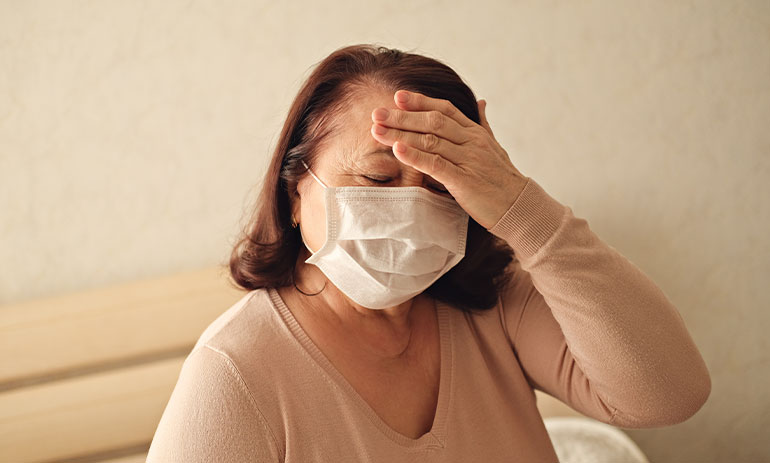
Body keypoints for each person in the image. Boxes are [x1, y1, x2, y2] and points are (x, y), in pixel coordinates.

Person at [146, 44, 711, 462]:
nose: (411, 209)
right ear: (296, 190)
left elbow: (669, 396)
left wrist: (524, 210)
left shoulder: (493, 303)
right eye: (375, 177)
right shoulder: (235, 375)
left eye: (441, 186)